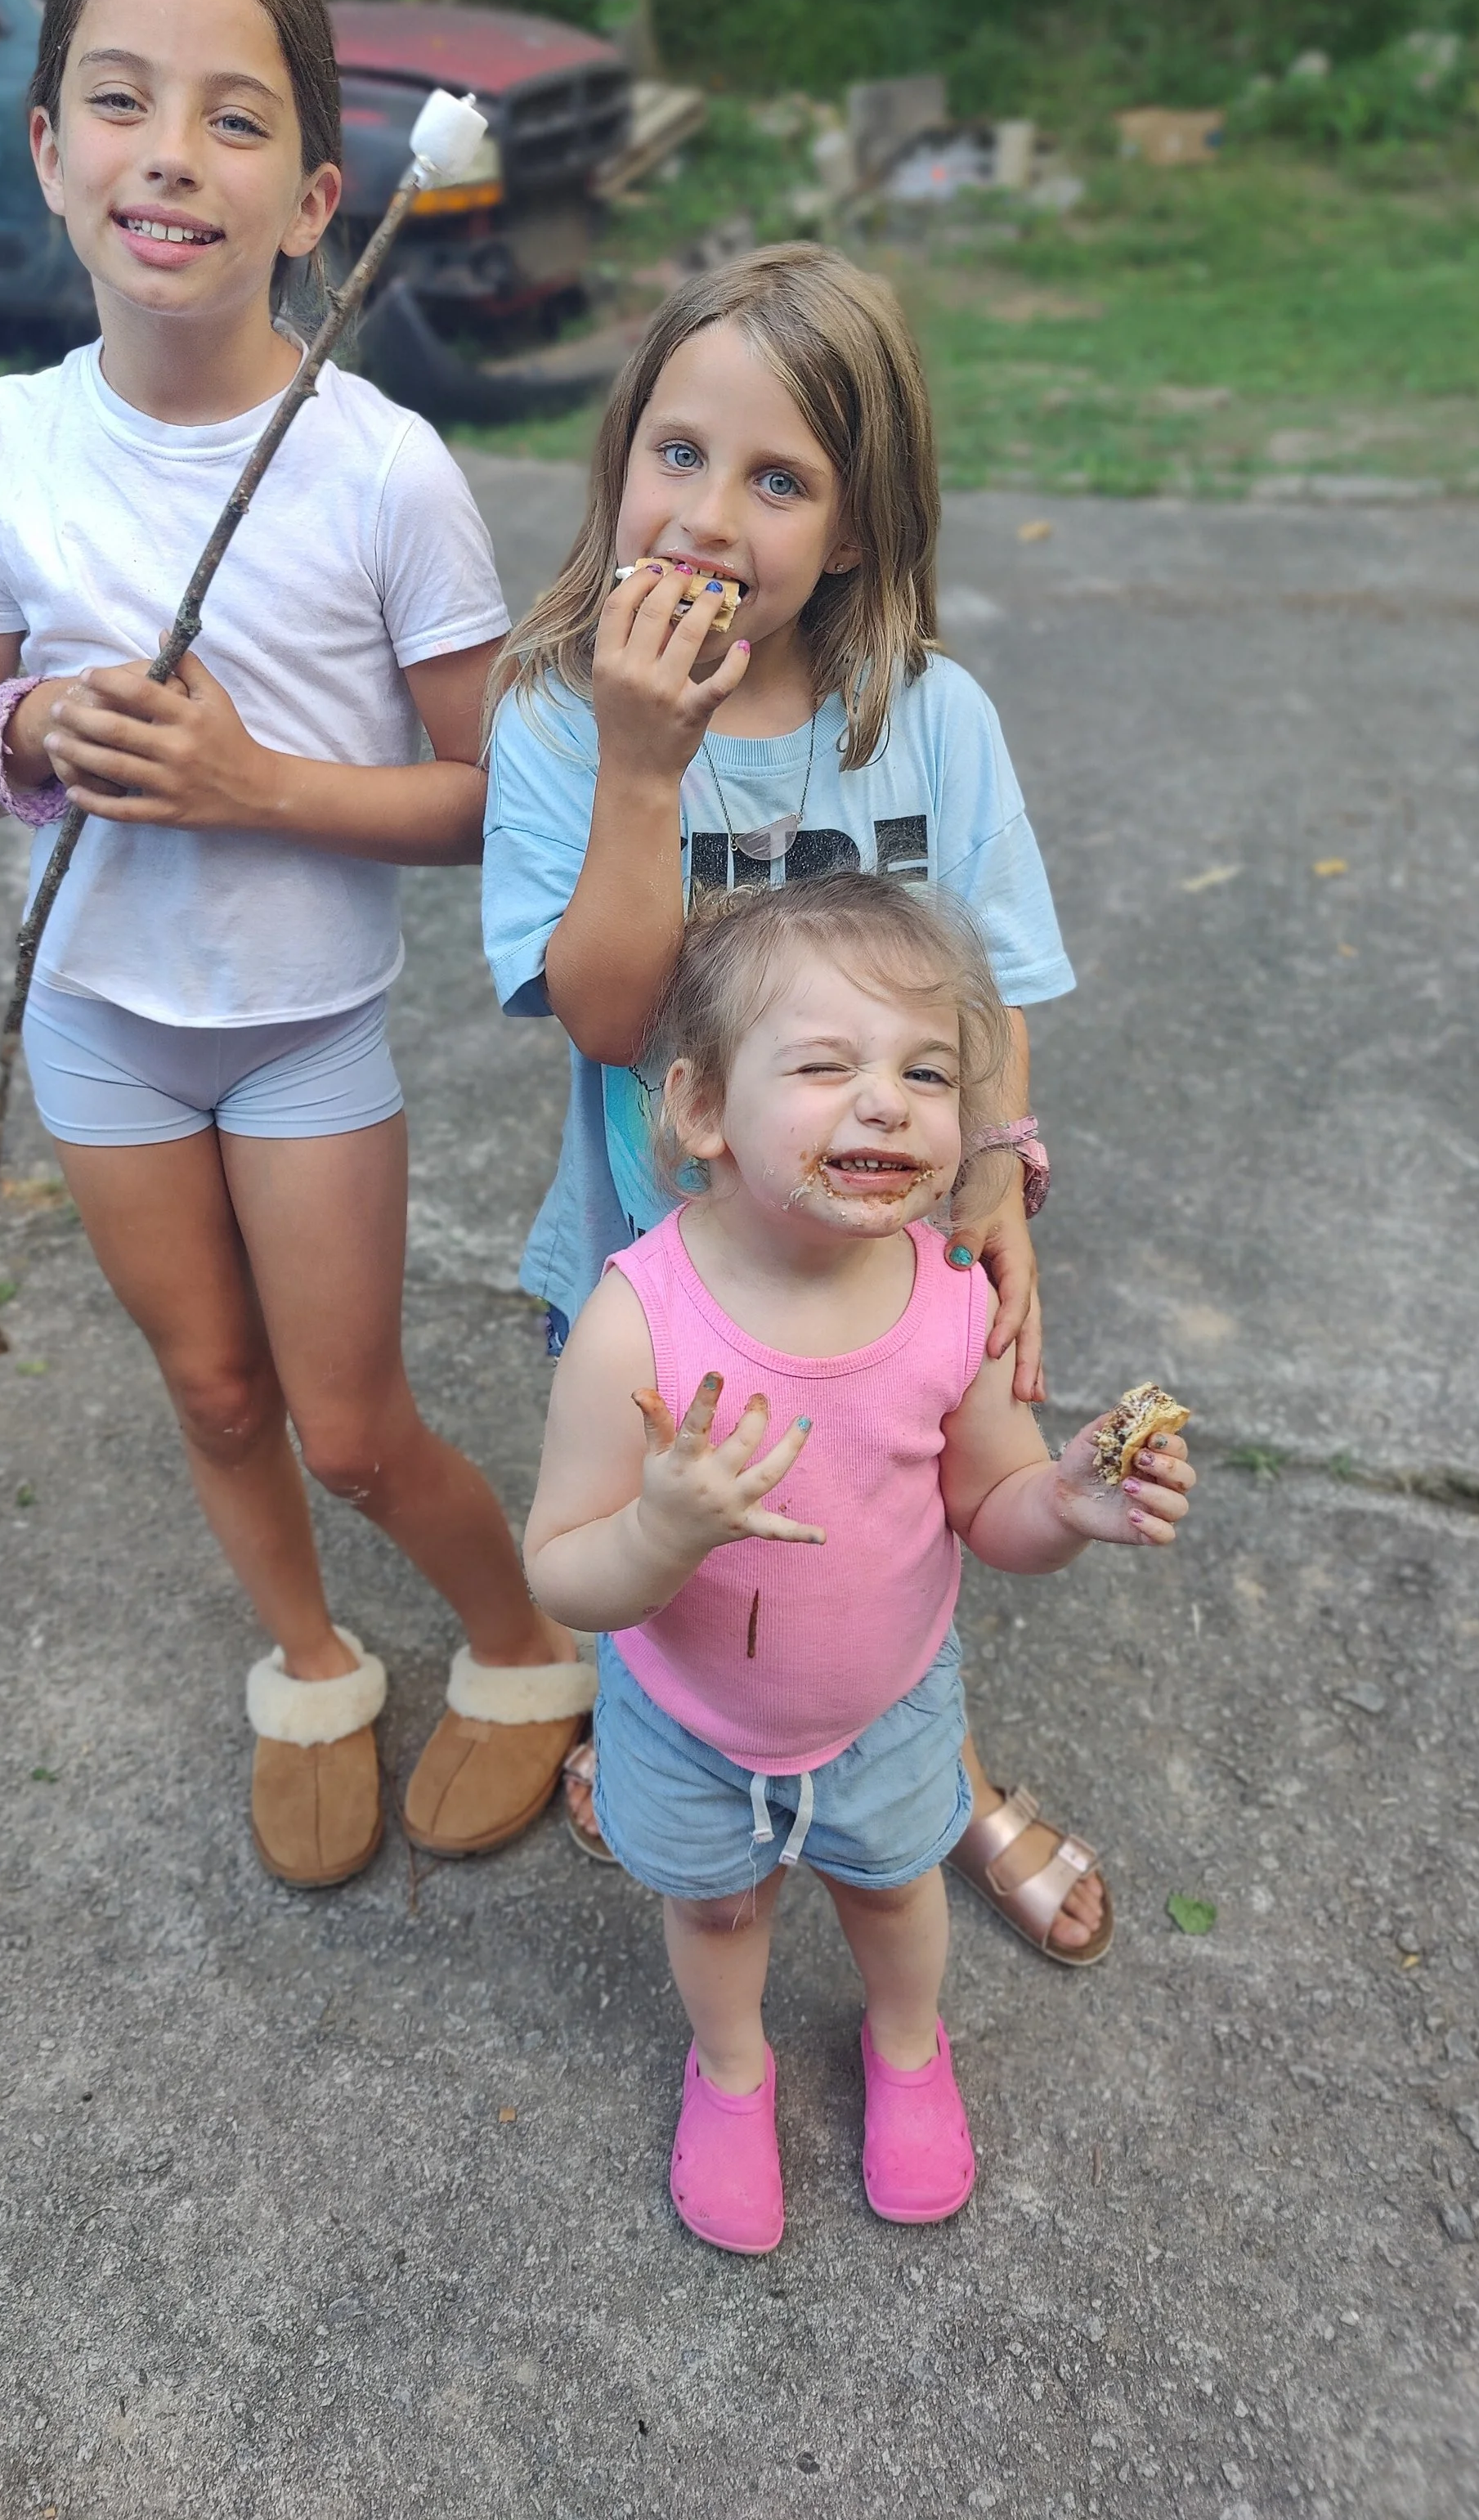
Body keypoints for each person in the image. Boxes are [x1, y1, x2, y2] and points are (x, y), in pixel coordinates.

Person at [0, 0, 594, 1892]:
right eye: (119, 100)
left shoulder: (380, 472)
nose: (168, 154)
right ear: (50, 155)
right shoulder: (1, 450)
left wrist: (250, 780)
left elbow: (492, 804)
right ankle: (305, 1664)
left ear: (314, 194)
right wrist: (30, 736)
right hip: (97, 1027)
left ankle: (519, 1646)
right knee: (212, 1393)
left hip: (301, 1037)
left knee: (356, 1424)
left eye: (233, 116)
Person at [482, 243, 1111, 1961]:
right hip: (653, 1275)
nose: (704, 514)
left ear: (850, 527)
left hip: (887, 1271)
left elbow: (983, 995)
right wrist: (640, 763)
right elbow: (609, 1021)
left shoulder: (927, 718)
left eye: (776, 480)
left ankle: (937, 1779)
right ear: (615, 462)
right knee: (663, 1541)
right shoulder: (555, 715)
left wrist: (991, 1165)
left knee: (889, 1540)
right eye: (674, 454)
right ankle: (661, 1738)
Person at [524, 876, 1197, 2251]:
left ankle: (904, 2047)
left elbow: (991, 1508)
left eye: (926, 1070)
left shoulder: (952, 1307)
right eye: (826, 1065)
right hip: (690, 1721)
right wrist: (662, 1530)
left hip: (888, 1712)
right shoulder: (636, 1325)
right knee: (715, 1912)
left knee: (896, 1889)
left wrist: (1063, 1504)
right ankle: (729, 2069)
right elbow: (564, 1573)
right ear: (702, 1112)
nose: (885, 1099)